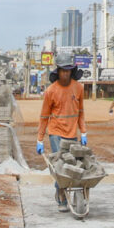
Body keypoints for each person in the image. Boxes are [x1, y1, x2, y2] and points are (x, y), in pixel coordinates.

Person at [35, 63, 88, 211]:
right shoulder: (51, 91)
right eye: (63, 71)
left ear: (72, 72)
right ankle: (61, 196)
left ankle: (73, 191)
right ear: (58, 72)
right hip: (56, 133)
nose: (65, 74)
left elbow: (81, 111)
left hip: (72, 133)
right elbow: (44, 116)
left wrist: (83, 131)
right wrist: (40, 139)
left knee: (73, 164)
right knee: (60, 165)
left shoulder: (78, 88)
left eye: (68, 71)